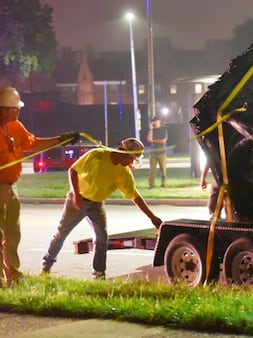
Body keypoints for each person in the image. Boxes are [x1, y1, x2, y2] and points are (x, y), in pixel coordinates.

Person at [41, 137, 163, 279]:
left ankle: (99, 274)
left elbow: (135, 196)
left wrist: (152, 218)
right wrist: (76, 195)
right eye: (131, 158)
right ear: (123, 152)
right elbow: (73, 171)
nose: (131, 163)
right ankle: (46, 265)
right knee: (61, 234)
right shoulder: (97, 155)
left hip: (96, 204)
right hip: (77, 200)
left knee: (101, 238)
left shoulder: (124, 173)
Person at [0, 87, 79, 287]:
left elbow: (33, 144)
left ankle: (14, 276)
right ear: (3, 110)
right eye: (14, 108)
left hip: (11, 187)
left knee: (12, 235)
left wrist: (60, 140)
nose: (18, 111)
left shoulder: (16, 127)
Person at [147, 116, 168, 188]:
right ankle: (151, 185)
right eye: (153, 122)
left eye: (155, 121)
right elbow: (149, 139)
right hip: (153, 153)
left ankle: (163, 184)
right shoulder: (152, 130)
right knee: (152, 171)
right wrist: (151, 129)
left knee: (163, 170)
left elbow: (163, 141)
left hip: (162, 153)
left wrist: (154, 141)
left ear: (159, 121)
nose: (154, 123)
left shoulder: (163, 129)